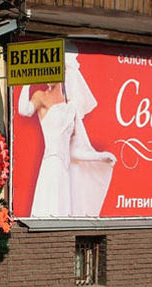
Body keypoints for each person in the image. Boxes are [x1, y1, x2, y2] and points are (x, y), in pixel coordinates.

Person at [17, 52, 116, 217]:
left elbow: (75, 151)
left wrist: (101, 156)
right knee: (47, 210)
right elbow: (24, 110)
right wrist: (25, 82)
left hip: (64, 171)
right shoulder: (41, 96)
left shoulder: (72, 109)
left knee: (62, 213)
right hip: (50, 165)